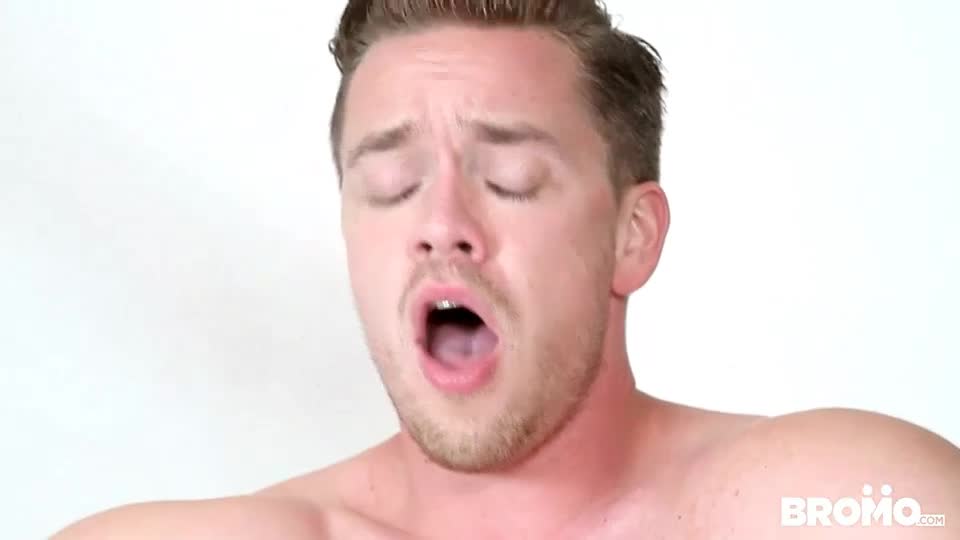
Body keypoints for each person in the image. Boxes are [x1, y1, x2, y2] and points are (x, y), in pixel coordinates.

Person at [52, 1, 959, 538]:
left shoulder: (841, 505)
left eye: (511, 179)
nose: (442, 228)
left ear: (633, 236)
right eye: (392, 185)